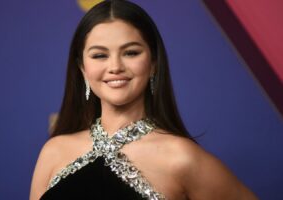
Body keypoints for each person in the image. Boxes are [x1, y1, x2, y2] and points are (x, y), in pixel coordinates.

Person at [30, 1, 258, 199]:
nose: (115, 67)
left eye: (131, 53)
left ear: (153, 64)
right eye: (99, 55)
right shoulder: (54, 151)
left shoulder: (181, 158)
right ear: (82, 68)